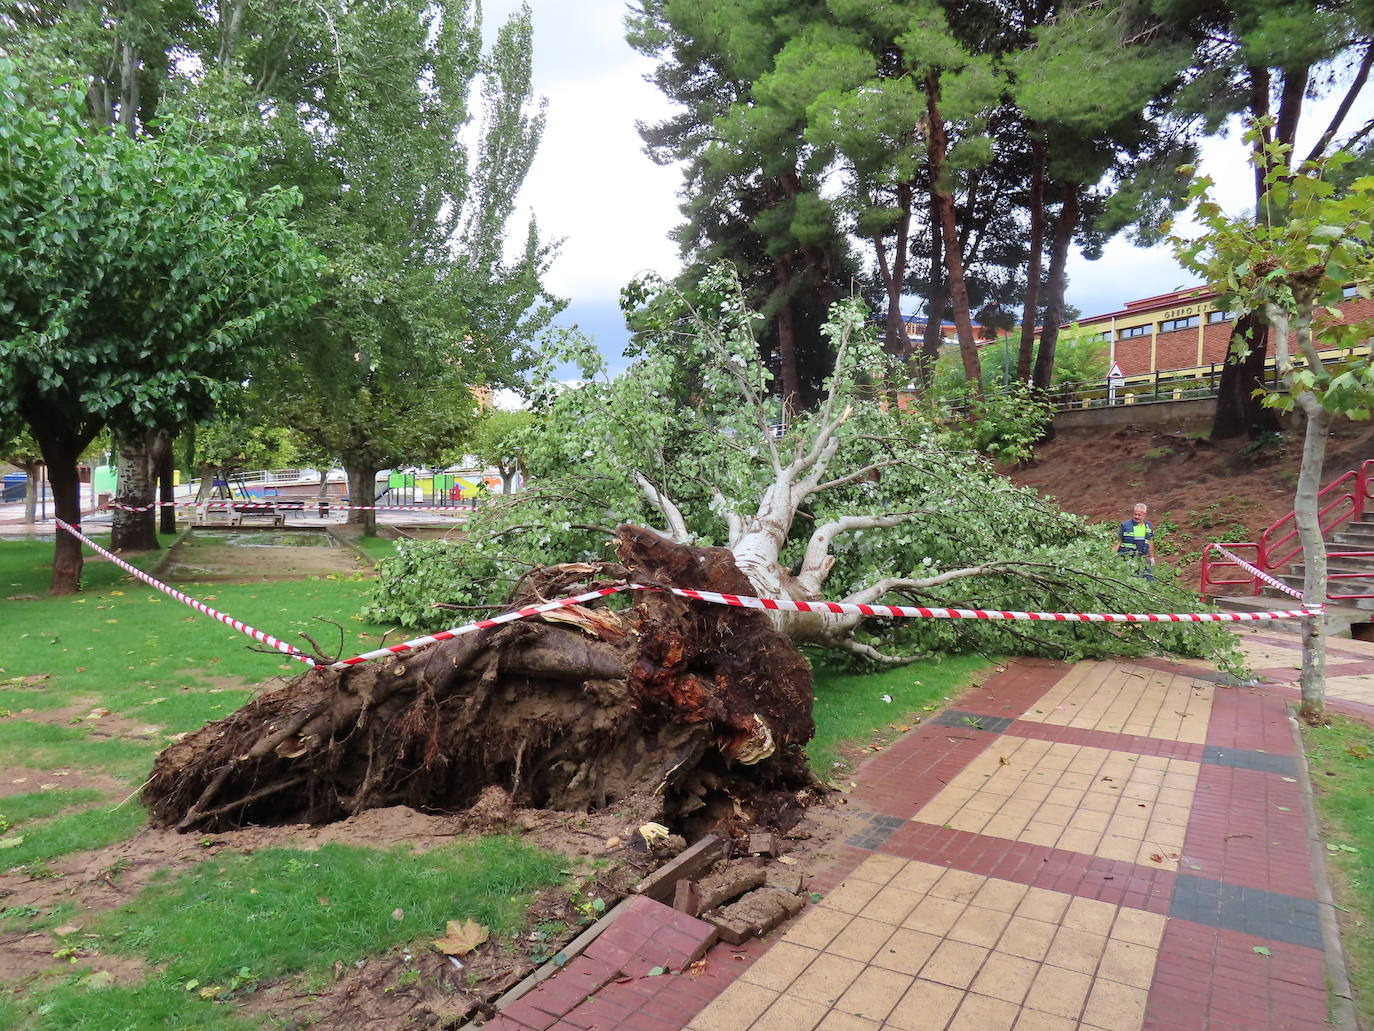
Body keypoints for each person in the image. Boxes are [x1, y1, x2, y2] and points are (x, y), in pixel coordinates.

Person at [1116, 502, 1156, 578]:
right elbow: (1118, 542)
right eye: (1135, 514)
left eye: (1139, 515)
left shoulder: (1148, 526)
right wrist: (1110, 557)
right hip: (1127, 559)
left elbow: (1150, 542)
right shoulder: (1125, 526)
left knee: (1149, 580)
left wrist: (1152, 558)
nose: (1136, 517)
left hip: (1142, 559)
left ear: (1144, 515)